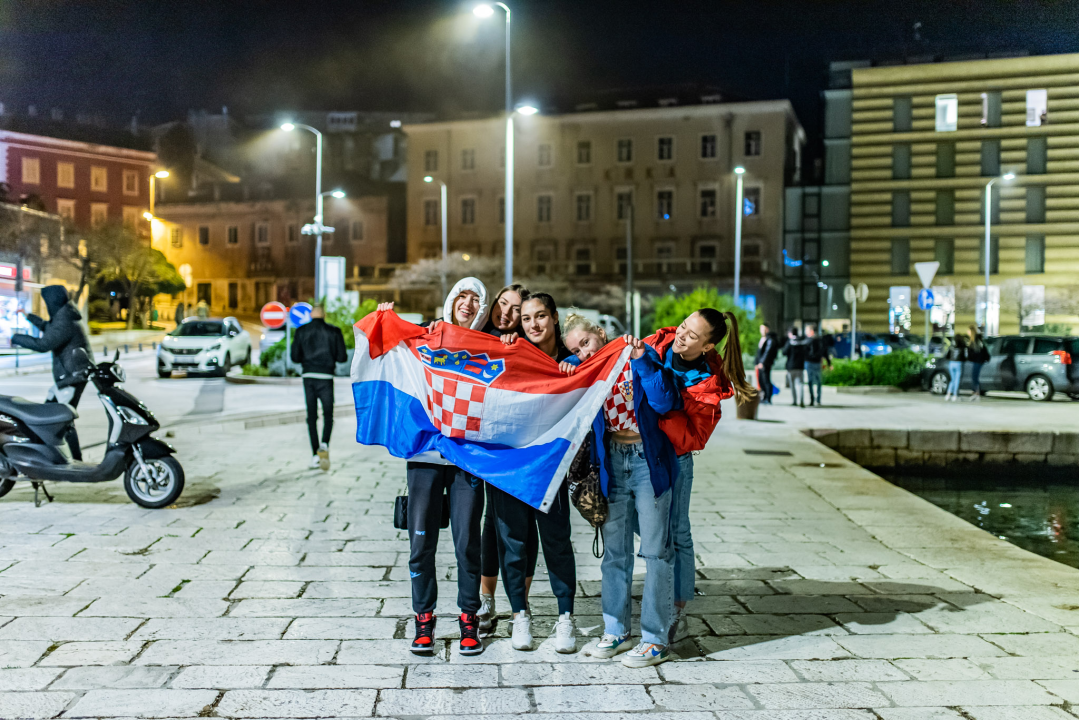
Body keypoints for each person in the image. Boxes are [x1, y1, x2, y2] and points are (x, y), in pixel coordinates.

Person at [376, 277, 490, 657]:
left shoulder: (488, 348)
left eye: (477, 299)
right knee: (420, 542)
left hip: (466, 458)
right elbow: (386, 349)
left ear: (483, 307)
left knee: (466, 543)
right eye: (463, 295)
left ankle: (468, 619)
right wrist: (383, 321)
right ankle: (423, 618)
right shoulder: (426, 337)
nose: (468, 303)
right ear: (451, 300)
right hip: (424, 456)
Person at [563, 316, 682, 667]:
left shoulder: (637, 356)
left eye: (585, 343)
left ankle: (654, 638)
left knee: (656, 551)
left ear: (601, 333)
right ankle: (615, 630)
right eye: (574, 349)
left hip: (648, 460)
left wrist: (643, 359)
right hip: (612, 461)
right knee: (615, 554)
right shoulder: (588, 370)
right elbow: (563, 371)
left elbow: (665, 401)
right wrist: (569, 363)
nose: (582, 352)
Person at [642, 310, 756, 643]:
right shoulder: (656, 343)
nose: (681, 336)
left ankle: (678, 607)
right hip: (638, 454)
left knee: (678, 531)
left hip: (676, 459)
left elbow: (695, 438)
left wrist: (663, 412)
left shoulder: (708, 384)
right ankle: (659, 588)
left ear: (707, 346)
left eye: (692, 335)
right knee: (644, 526)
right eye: (682, 327)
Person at [490, 293, 578, 653]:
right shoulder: (510, 353)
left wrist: (578, 371)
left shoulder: (573, 361)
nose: (533, 325)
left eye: (540, 316)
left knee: (556, 542)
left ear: (555, 317)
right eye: (526, 319)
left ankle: (565, 617)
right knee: (513, 544)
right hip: (509, 466)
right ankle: (519, 615)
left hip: (550, 468)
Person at [476, 283, 537, 633]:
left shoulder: (527, 344)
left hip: (527, 447)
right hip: (490, 445)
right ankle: (487, 598)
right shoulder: (479, 337)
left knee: (525, 525)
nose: (508, 314)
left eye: (517, 310)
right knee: (491, 521)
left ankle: (521, 601)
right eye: (504, 304)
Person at [11, 285, 91, 460]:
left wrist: (15, 338)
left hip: (71, 378)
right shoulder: (64, 315)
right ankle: (45, 455)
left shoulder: (64, 321)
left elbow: (43, 345)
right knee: (50, 415)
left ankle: (74, 461)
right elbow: (48, 327)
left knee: (61, 419)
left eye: (46, 301)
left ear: (52, 301)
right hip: (70, 377)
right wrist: (28, 316)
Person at [290, 305, 347, 470]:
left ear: (310, 315)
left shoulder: (301, 331)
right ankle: (324, 444)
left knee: (311, 417)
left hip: (308, 377)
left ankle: (315, 455)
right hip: (326, 377)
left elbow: (295, 357)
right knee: (328, 414)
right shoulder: (334, 331)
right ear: (324, 314)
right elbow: (342, 357)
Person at [804, 323, 832, 407]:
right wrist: (829, 363)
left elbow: (824, 352)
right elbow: (825, 352)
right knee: (817, 382)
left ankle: (813, 400)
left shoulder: (809, 341)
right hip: (815, 363)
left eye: (807, 330)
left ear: (811, 331)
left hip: (810, 363)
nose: (806, 332)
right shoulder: (820, 340)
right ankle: (817, 400)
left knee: (811, 382)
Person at [781, 326, 807, 408]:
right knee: (800, 384)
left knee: (792, 385)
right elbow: (805, 353)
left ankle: (795, 401)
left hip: (791, 367)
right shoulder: (802, 342)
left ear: (791, 333)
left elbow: (784, 352)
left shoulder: (789, 342)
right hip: (800, 366)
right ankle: (802, 401)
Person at [753, 324, 779, 404]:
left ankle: (768, 398)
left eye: (764, 329)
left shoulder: (770, 340)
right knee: (761, 381)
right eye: (761, 329)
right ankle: (764, 397)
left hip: (765, 364)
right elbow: (759, 353)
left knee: (766, 380)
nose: (763, 331)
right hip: (760, 364)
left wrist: (762, 362)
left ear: (767, 329)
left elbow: (767, 353)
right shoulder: (763, 339)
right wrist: (757, 363)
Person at [967, 325, 990, 402]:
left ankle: (976, 393)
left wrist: (970, 357)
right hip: (978, 361)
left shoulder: (975, 340)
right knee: (974, 377)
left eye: (968, 331)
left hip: (978, 361)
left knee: (974, 377)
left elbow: (977, 352)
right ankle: (976, 393)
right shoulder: (977, 340)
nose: (967, 332)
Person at [942, 333, 968, 402]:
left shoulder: (952, 345)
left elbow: (947, 354)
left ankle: (948, 394)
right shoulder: (962, 345)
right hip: (958, 363)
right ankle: (955, 395)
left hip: (951, 363)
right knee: (957, 380)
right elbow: (965, 355)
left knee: (952, 379)